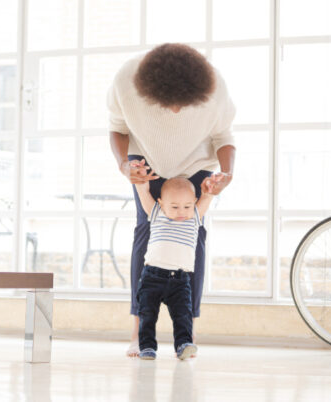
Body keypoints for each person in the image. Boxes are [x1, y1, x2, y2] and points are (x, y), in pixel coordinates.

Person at [106, 43, 236, 357]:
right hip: (147, 162)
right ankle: (139, 331)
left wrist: (228, 172)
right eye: (169, 105)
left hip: (195, 165)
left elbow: (224, 137)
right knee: (146, 232)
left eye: (184, 105)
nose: (177, 111)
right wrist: (125, 166)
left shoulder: (215, 89)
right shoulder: (126, 82)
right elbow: (117, 128)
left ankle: (187, 333)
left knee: (194, 235)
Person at [133, 174, 220, 360]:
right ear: (161, 203)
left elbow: (208, 196)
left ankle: (183, 344)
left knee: (183, 315)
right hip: (152, 276)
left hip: (180, 279)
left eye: (187, 206)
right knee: (147, 314)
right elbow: (143, 192)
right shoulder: (157, 213)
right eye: (174, 206)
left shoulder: (194, 217)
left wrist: (211, 189)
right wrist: (141, 182)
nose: (182, 211)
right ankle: (147, 346)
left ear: (194, 203)